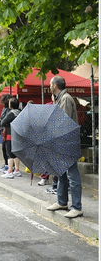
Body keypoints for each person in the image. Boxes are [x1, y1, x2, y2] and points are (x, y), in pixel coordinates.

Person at [47, 75, 83, 218]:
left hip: (67, 142)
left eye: (50, 84)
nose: (49, 86)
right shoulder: (59, 99)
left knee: (72, 175)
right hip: (61, 142)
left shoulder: (66, 99)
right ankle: (62, 202)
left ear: (55, 85)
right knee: (61, 173)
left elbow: (63, 122)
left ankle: (76, 207)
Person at [0, 97, 22, 179]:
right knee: (15, 154)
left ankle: (10, 171)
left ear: (11, 105)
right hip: (18, 135)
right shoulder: (20, 112)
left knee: (9, 154)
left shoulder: (11, 113)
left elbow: (3, 122)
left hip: (10, 135)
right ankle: (17, 170)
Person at [0, 94, 12, 173]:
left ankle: (9, 166)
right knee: (4, 149)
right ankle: (6, 164)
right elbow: (2, 119)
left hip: (8, 131)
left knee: (8, 150)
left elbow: (4, 120)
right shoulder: (4, 109)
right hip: (4, 131)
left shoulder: (9, 110)